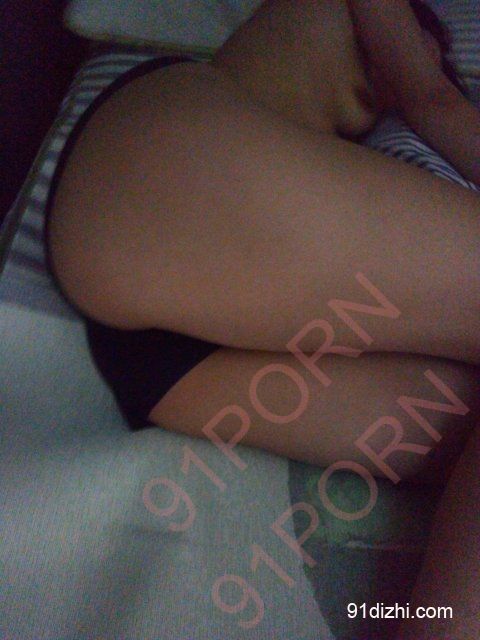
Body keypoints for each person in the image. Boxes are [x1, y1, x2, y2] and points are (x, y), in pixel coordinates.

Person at [45, 0, 480, 637]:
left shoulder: (365, 178)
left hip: (182, 353)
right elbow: (430, 95)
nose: (430, 45)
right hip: (181, 154)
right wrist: (424, 78)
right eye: (421, 30)